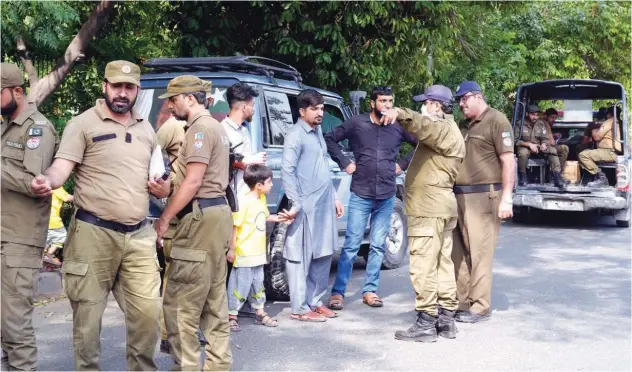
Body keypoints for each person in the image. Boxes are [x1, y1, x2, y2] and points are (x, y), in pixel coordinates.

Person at [30, 60, 169, 370]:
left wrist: (162, 189)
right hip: (93, 234)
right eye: (116, 86)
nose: (122, 93)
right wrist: (48, 181)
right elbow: (61, 167)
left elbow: (160, 178)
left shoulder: (147, 128)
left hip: (138, 236)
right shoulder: (83, 124)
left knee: (147, 316)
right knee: (88, 321)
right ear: (104, 86)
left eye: (128, 87)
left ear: (137, 90)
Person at [154, 75, 233, 371]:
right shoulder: (216, 127)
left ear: (190, 98)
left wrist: (164, 219)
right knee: (214, 306)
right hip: (217, 216)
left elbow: (194, 181)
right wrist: (167, 189)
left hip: (199, 219)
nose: (171, 106)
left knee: (179, 310)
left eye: (173, 100)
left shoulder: (199, 129)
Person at [380, 85, 465, 342]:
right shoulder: (450, 130)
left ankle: (426, 322)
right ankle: (446, 319)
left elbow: (423, 127)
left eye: (426, 103)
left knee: (423, 264)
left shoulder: (441, 128)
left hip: (429, 209)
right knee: (442, 263)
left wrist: (399, 113)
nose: (423, 107)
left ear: (436, 105)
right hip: (440, 207)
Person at [324, 86, 417, 310]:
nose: (387, 105)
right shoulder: (357, 123)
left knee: (377, 246)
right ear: (372, 103)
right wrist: (345, 163)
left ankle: (370, 291)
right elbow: (329, 138)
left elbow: (419, 144)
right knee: (351, 245)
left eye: (390, 101)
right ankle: (338, 293)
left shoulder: (397, 126)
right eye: (383, 101)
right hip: (361, 193)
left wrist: (401, 164)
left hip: (386, 194)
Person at [1, 62, 58, 371]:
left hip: (19, 241)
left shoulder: (38, 129)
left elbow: (34, 182)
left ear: (17, 92)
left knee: (15, 327)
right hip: (2, 235)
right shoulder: (3, 126)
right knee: (3, 327)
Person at [451, 81, 515, 323]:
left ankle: (480, 306)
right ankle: (462, 302)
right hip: (459, 195)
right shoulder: (463, 125)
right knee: (459, 253)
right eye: (458, 100)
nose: (461, 104)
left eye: (464, 99)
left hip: (484, 196)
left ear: (477, 97)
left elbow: (508, 161)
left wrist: (507, 198)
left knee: (480, 253)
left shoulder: (497, 121)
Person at [281, 89, 344, 322]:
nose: (320, 113)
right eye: (315, 109)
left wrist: (335, 197)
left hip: (324, 204)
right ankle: (299, 308)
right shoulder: (295, 135)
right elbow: (287, 171)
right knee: (300, 256)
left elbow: (324, 167)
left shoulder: (317, 131)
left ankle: (315, 301)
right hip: (305, 206)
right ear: (302, 111)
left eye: (321, 108)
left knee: (324, 252)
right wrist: (295, 202)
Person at [226, 164, 293, 331]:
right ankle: (231, 315)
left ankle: (259, 312)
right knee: (239, 285)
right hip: (244, 253)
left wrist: (280, 219)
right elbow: (235, 227)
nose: (271, 185)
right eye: (269, 182)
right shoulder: (243, 201)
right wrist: (232, 249)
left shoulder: (261, 200)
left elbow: (264, 216)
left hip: (258, 253)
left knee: (258, 284)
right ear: (259, 185)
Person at [221, 82, 267, 197]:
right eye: (252, 105)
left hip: (246, 196)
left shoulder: (245, 130)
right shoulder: (222, 130)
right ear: (244, 107)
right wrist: (249, 160)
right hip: (231, 198)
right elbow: (220, 164)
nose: (254, 110)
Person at [515, 104, 566, 188]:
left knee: (552, 151)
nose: (535, 117)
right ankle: (523, 177)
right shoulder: (519, 124)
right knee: (522, 153)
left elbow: (545, 138)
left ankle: (557, 177)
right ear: (527, 114)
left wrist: (544, 144)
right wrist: (529, 144)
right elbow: (515, 140)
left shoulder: (540, 124)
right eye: (533, 115)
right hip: (525, 147)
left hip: (539, 147)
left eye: (536, 115)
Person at [578, 106, 621, 188]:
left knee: (582, 155)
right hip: (615, 152)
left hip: (608, 152)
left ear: (609, 114)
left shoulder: (610, 121)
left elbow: (597, 137)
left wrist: (593, 130)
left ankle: (601, 178)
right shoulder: (620, 122)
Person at [43, 187, 74, 268]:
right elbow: (67, 198)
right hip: (53, 220)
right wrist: (79, 197)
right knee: (62, 236)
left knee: (45, 238)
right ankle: (48, 254)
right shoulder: (56, 187)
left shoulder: (43, 186)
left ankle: (44, 254)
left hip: (42, 218)